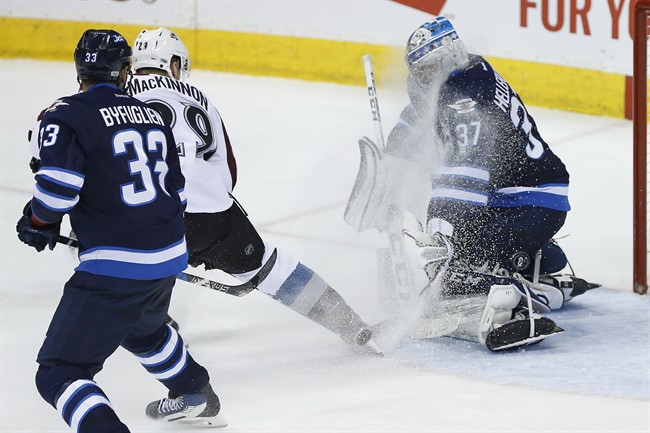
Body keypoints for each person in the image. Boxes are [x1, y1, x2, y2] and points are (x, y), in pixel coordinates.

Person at [17, 29, 227, 431]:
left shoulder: (66, 113)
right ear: (125, 71)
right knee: (142, 328)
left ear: (79, 68)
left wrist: (39, 221)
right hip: (167, 252)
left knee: (60, 371)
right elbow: (176, 191)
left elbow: (58, 190)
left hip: (114, 267)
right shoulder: (151, 113)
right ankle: (194, 390)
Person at [345, 17, 597, 351]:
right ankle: (531, 261)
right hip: (521, 197)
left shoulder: (465, 99)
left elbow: (465, 172)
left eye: (426, 70)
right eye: (419, 71)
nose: (421, 78)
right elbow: (412, 122)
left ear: (445, 61)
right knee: (455, 249)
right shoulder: (464, 78)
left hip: (529, 204)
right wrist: (389, 170)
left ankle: (522, 292)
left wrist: (441, 236)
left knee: (456, 268)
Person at [126, 27, 379, 352]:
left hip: (147, 215)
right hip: (212, 214)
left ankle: (153, 322)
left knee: (99, 250)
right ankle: (349, 323)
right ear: (173, 64)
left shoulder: (115, 95)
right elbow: (228, 170)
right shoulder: (200, 99)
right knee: (269, 265)